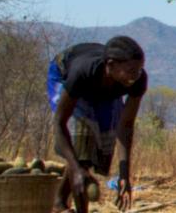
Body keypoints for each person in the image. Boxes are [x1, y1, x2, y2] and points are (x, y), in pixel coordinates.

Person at [47, 36, 149, 213]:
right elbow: (59, 123)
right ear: (110, 65)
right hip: (65, 76)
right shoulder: (81, 72)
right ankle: (76, 208)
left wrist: (123, 175)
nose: (137, 75)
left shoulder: (136, 80)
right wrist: (75, 167)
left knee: (98, 143)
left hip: (104, 90)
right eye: (131, 70)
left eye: (140, 69)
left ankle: (59, 202)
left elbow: (125, 126)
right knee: (81, 150)